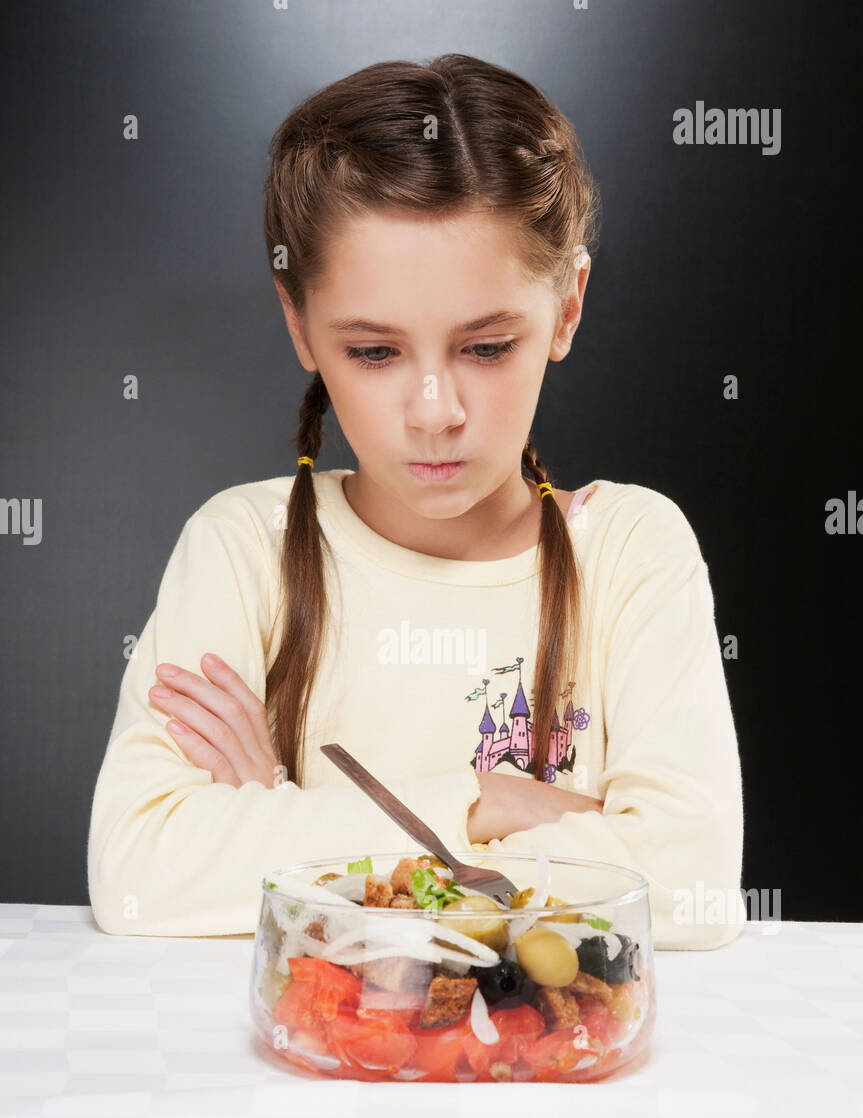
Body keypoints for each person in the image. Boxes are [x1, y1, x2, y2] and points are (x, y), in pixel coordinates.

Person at [87, 54, 745, 947]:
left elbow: (689, 887)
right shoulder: (241, 548)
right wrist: (487, 805)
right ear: (298, 326)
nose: (435, 414)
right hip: (290, 1080)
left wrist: (284, 818)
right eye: (373, 352)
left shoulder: (632, 551)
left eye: (484, 346)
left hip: (551, 1087)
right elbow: (138, 872)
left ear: (566, 307)